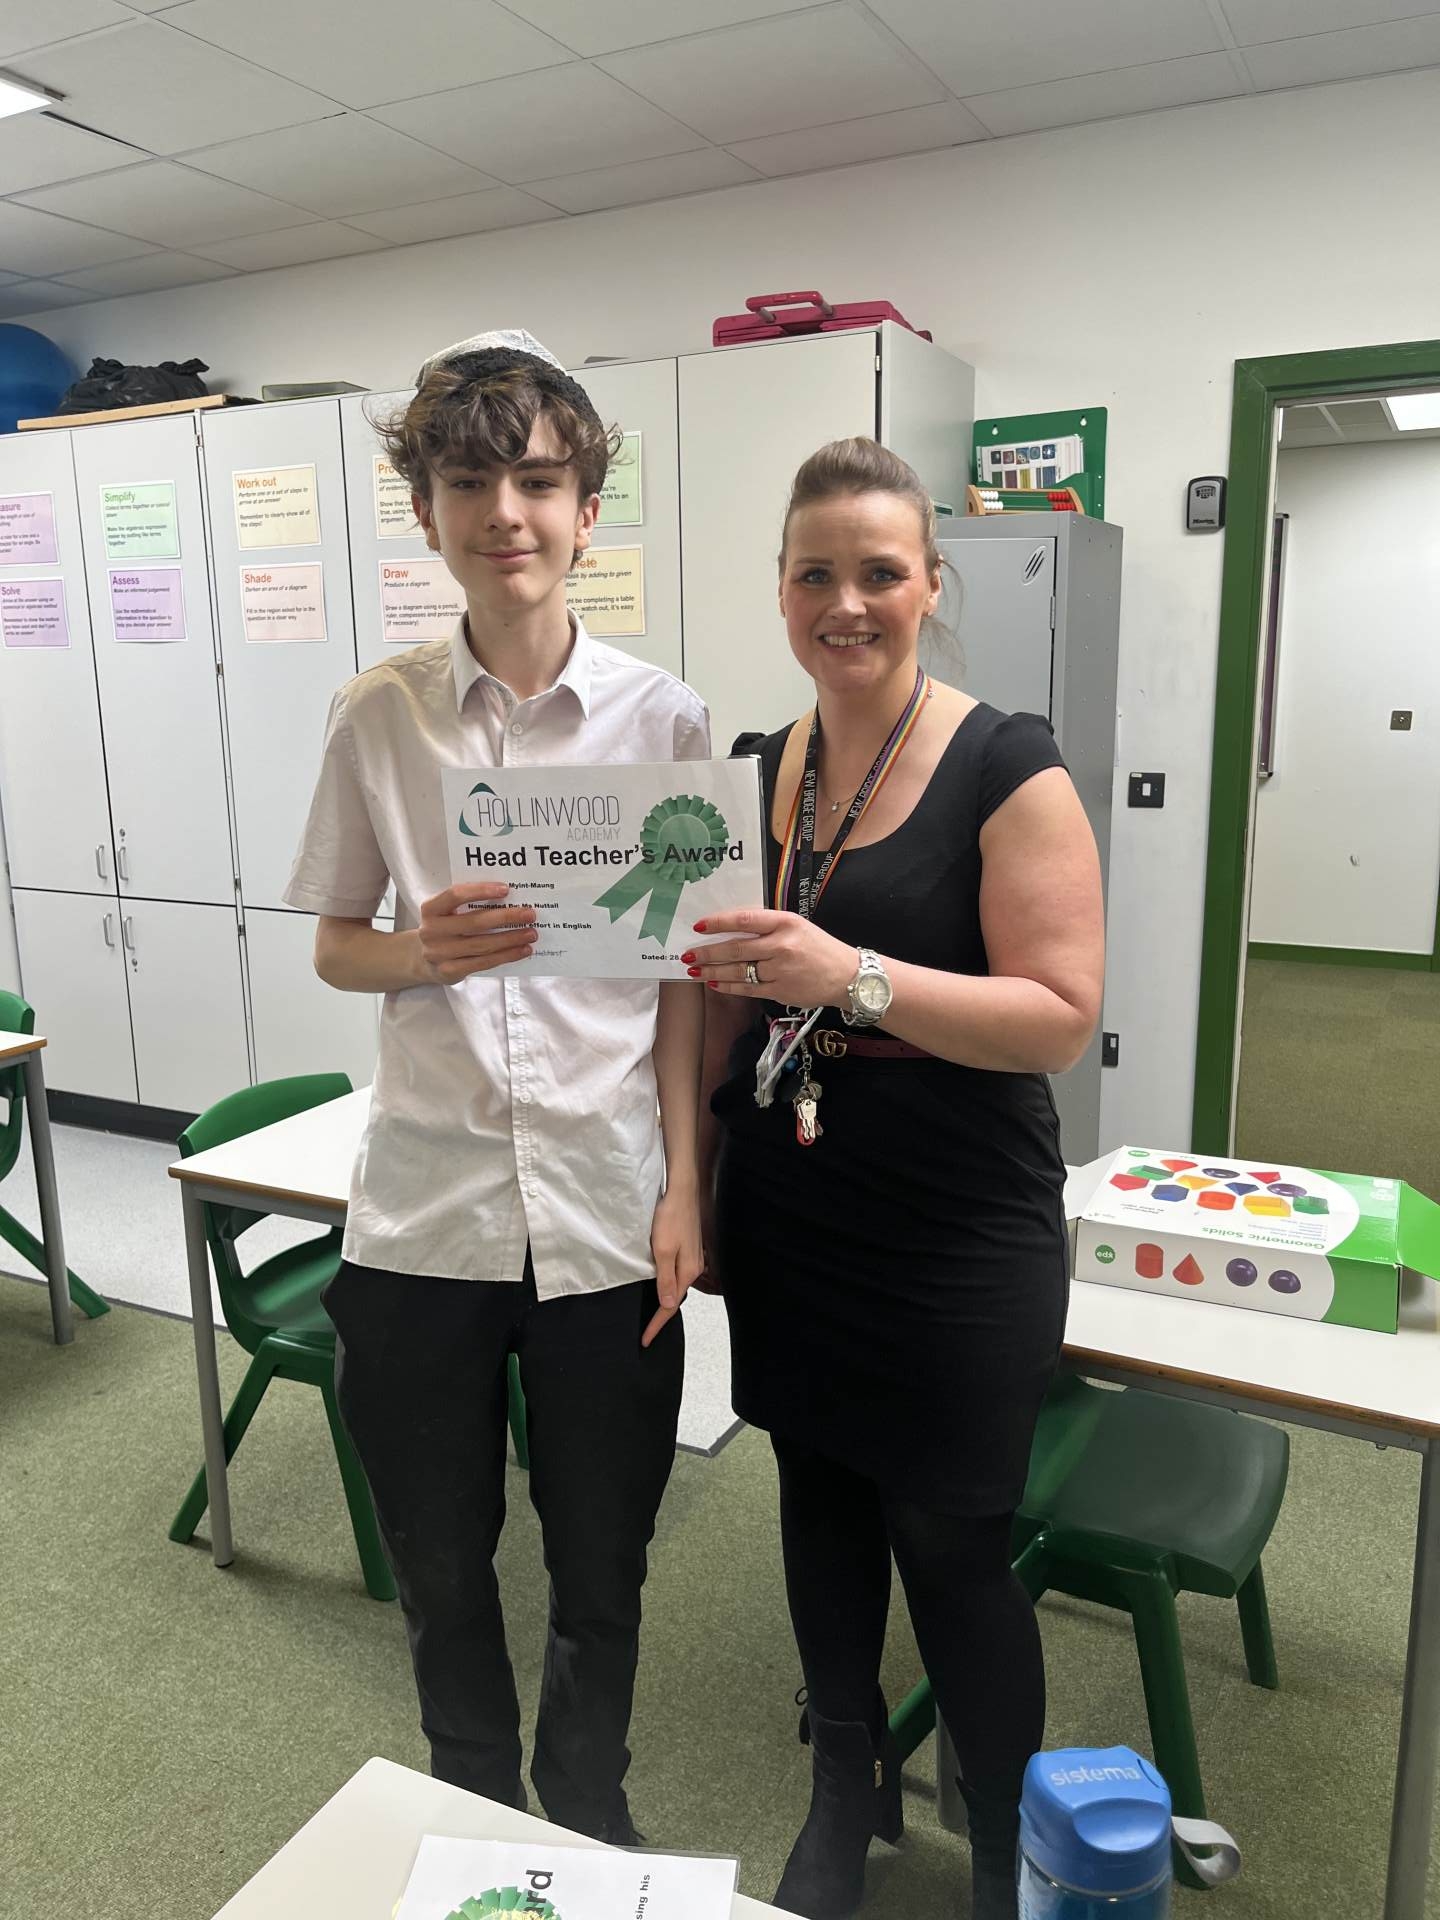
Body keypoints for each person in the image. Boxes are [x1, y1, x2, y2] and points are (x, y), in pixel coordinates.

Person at [283, 331, 708, 1842]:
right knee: (443, 1563)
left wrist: (688, 1190)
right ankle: (475, 1806)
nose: (505, 514)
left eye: (536, 481)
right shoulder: (378, 715)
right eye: (469, 483)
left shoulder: (666, 721)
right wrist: (423, 953)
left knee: (603, 1561)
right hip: (427, 1217)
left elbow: (682, 986)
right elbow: (336, 943)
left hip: (605, 1211)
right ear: (427, 511)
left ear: (588, 509)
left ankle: (586, 1808)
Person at [690, 438, 1105, 1919]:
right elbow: (716, 1003)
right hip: (795, 1202)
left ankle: (1000, 1850)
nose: (847, 602)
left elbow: (1056, 1018)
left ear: (932, 583)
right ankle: (842, 1789)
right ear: (781, 592)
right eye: (817, 574)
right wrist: (694, 1187)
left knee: (951, 1542)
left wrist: (849, 974)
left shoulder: (1007, 765)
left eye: (879, 572)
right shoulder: (754, 772)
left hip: (956, 1223)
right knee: (817, 1500)